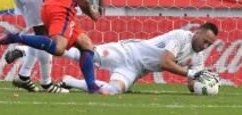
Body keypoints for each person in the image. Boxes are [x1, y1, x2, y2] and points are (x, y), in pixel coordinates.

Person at [57, 22, 219, 95]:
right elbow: (165, 62)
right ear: (197, 32)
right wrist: (191, 74)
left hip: (134, 70)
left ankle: (70, 81)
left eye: (209, 45)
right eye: (205, 41)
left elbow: (192, 86)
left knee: (111, 91)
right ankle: (37, 47)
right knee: (87, 55)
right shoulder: (182, 37)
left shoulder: (199, 56)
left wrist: (205, 83)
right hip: (127, 52)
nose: (205, 46)